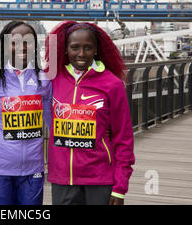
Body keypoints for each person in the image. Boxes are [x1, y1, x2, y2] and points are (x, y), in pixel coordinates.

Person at [44, 21, 135, 205]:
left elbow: (123, 138)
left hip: (99, 179)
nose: (81, 54)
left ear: (96, 50)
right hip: (63, 179)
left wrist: (120, 189)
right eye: (75, 47)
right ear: (65, 49)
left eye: (88, 48)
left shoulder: (113, 84)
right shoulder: (51, 80)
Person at [0, 21, 52, 205]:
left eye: (28, 41)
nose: (22, 47)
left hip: (33, 167)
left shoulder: (44, 79)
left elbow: (53, 121)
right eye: (14, 42)